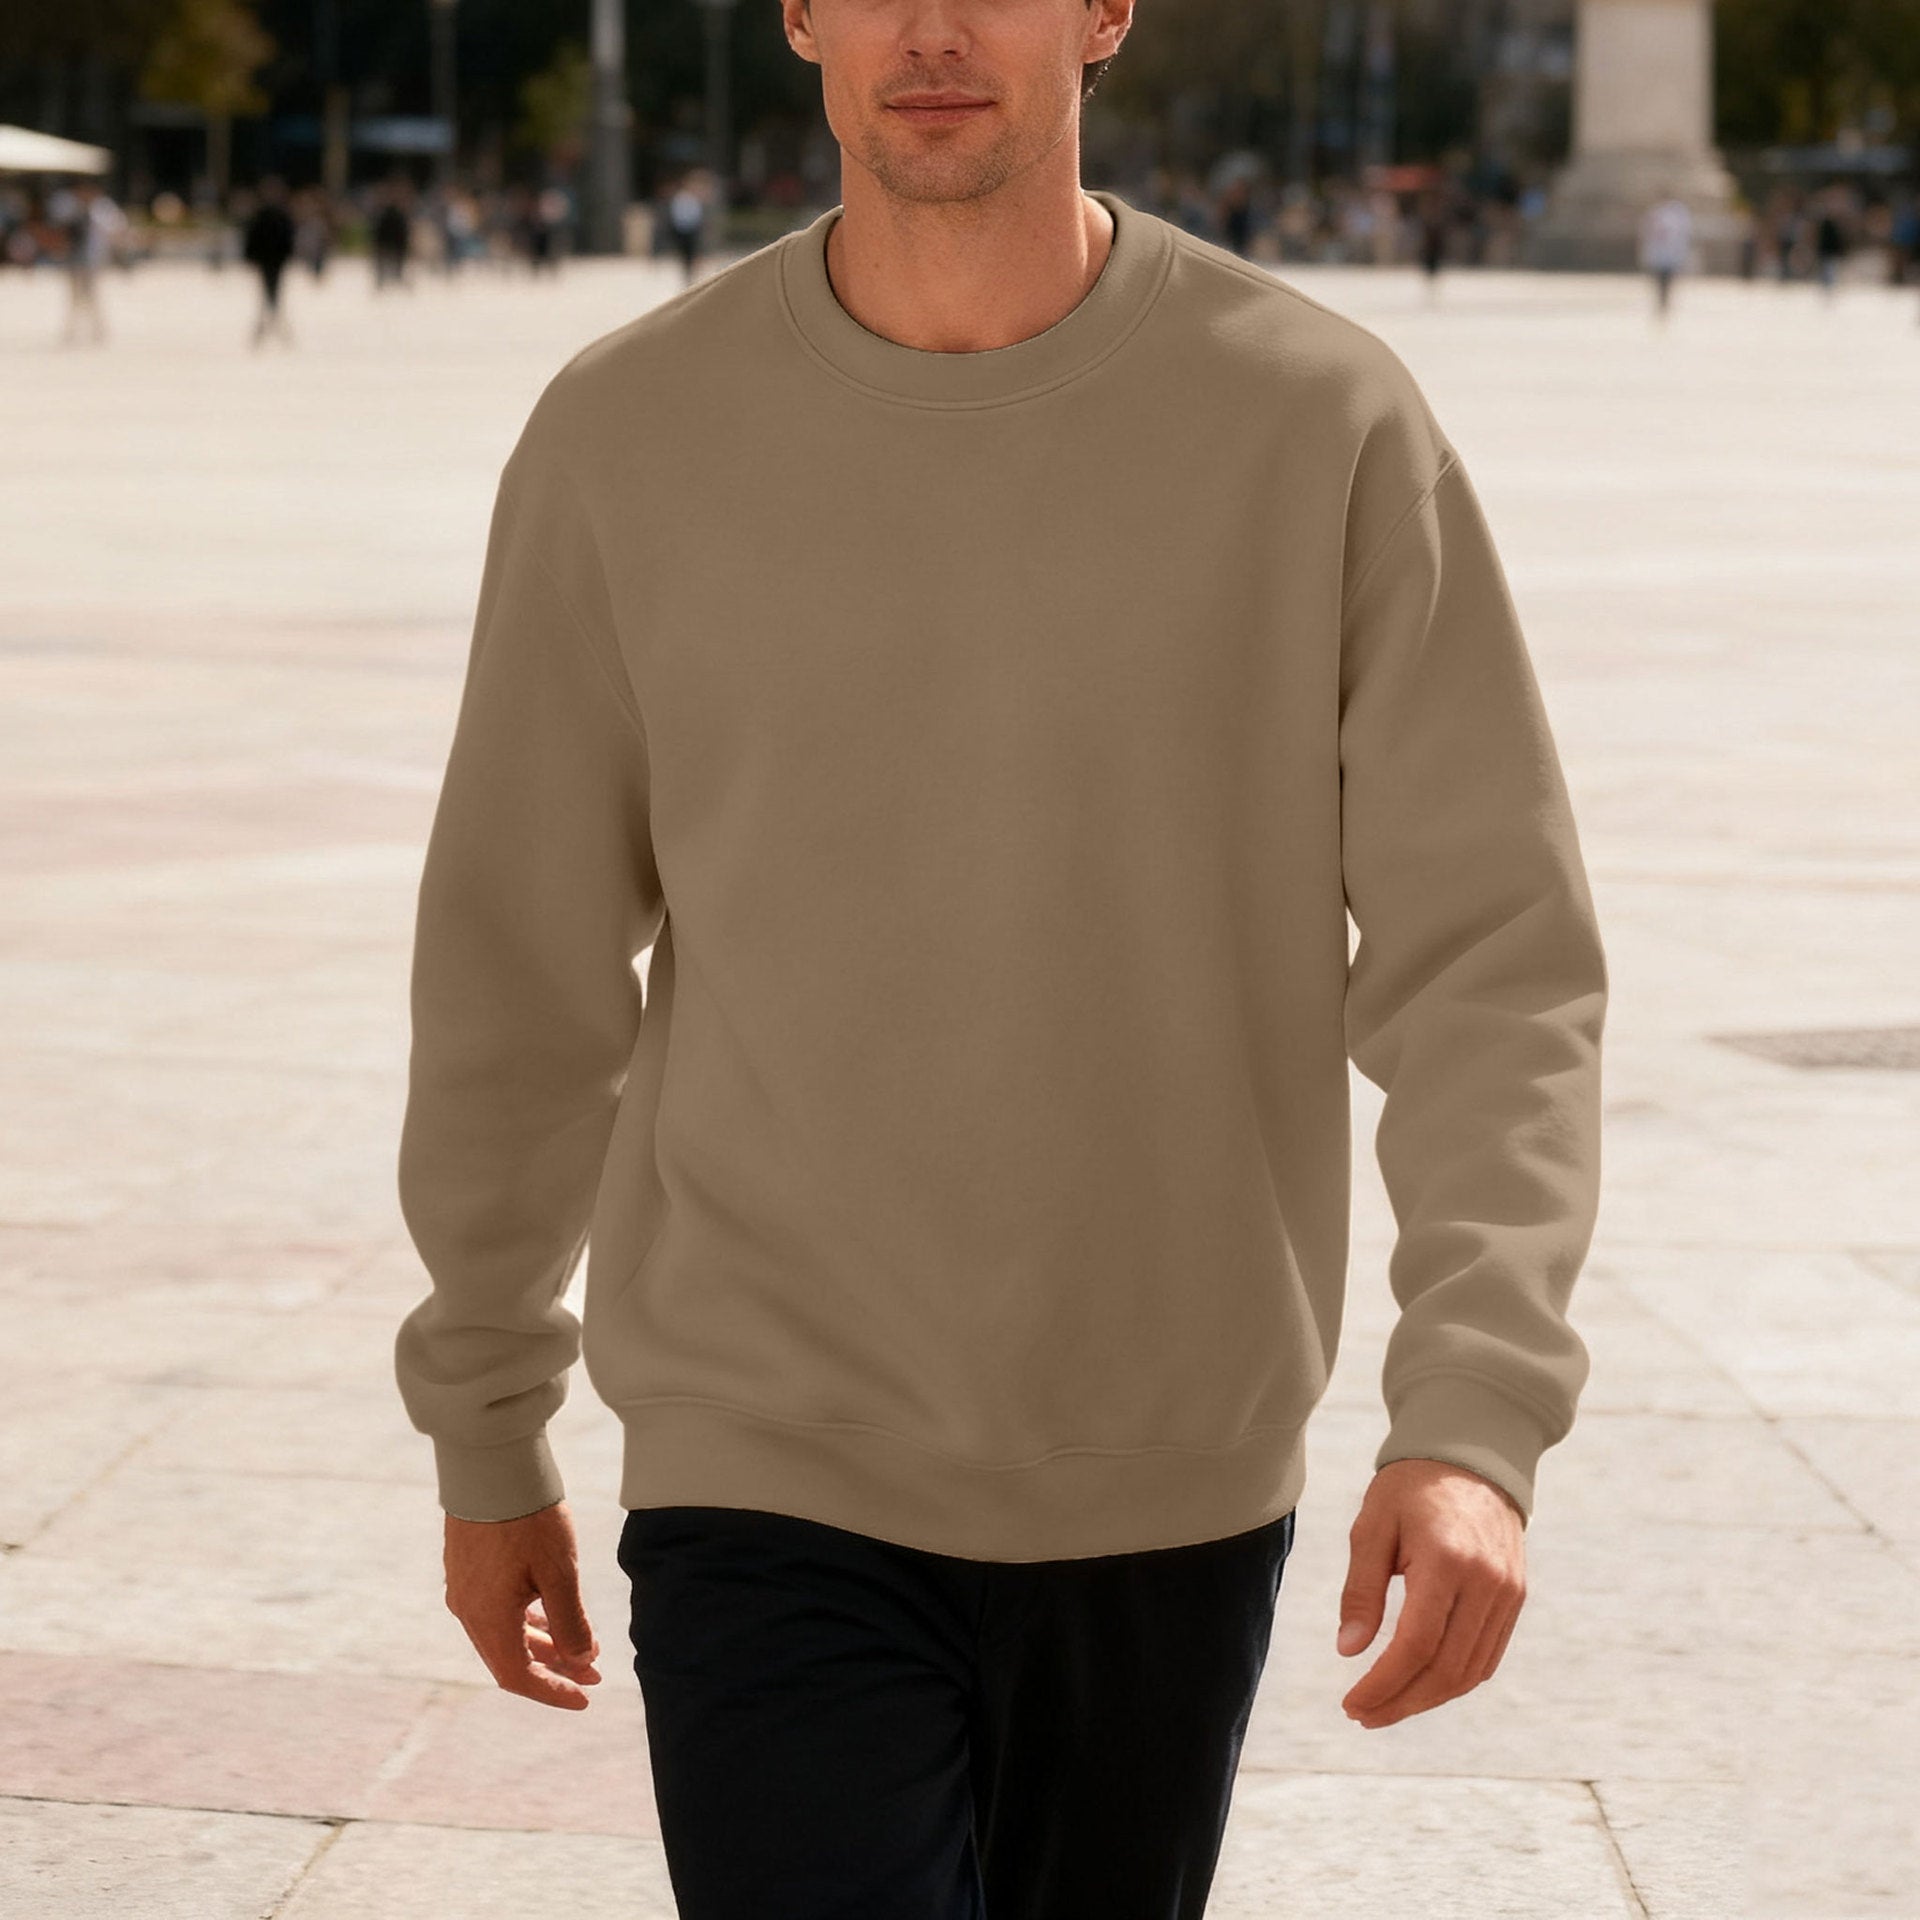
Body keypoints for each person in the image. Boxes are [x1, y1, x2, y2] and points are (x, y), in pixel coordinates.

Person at [393, 0, 1608, 1914]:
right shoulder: (625, 436)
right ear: (798, 9)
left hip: (1173, 1466)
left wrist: (1475, 1419)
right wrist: (484, 1415)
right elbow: (516, 978)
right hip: (760, 1456)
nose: (936, 24)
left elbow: (1496, 962)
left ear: (1110, 5)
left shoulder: (1319, 420)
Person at [241, 174, 297, 346]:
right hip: (265, 259)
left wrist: (288, 255)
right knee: (267, 290)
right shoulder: (262, 214)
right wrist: (250, 256)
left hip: (277, 259)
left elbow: (288, 238)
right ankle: (268, 322)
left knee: (274, 290)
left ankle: (273, 321)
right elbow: (252, 237)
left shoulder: (281, 214)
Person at [1639, 183, 1692, 320]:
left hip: (1670, 255)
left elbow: (1681, 235)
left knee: (1668, 281)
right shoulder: (1654, 213)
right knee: (1659, 281)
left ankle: (1665, 303)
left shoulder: (1677, 214)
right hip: (1659, 255)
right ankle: (1661, 303)